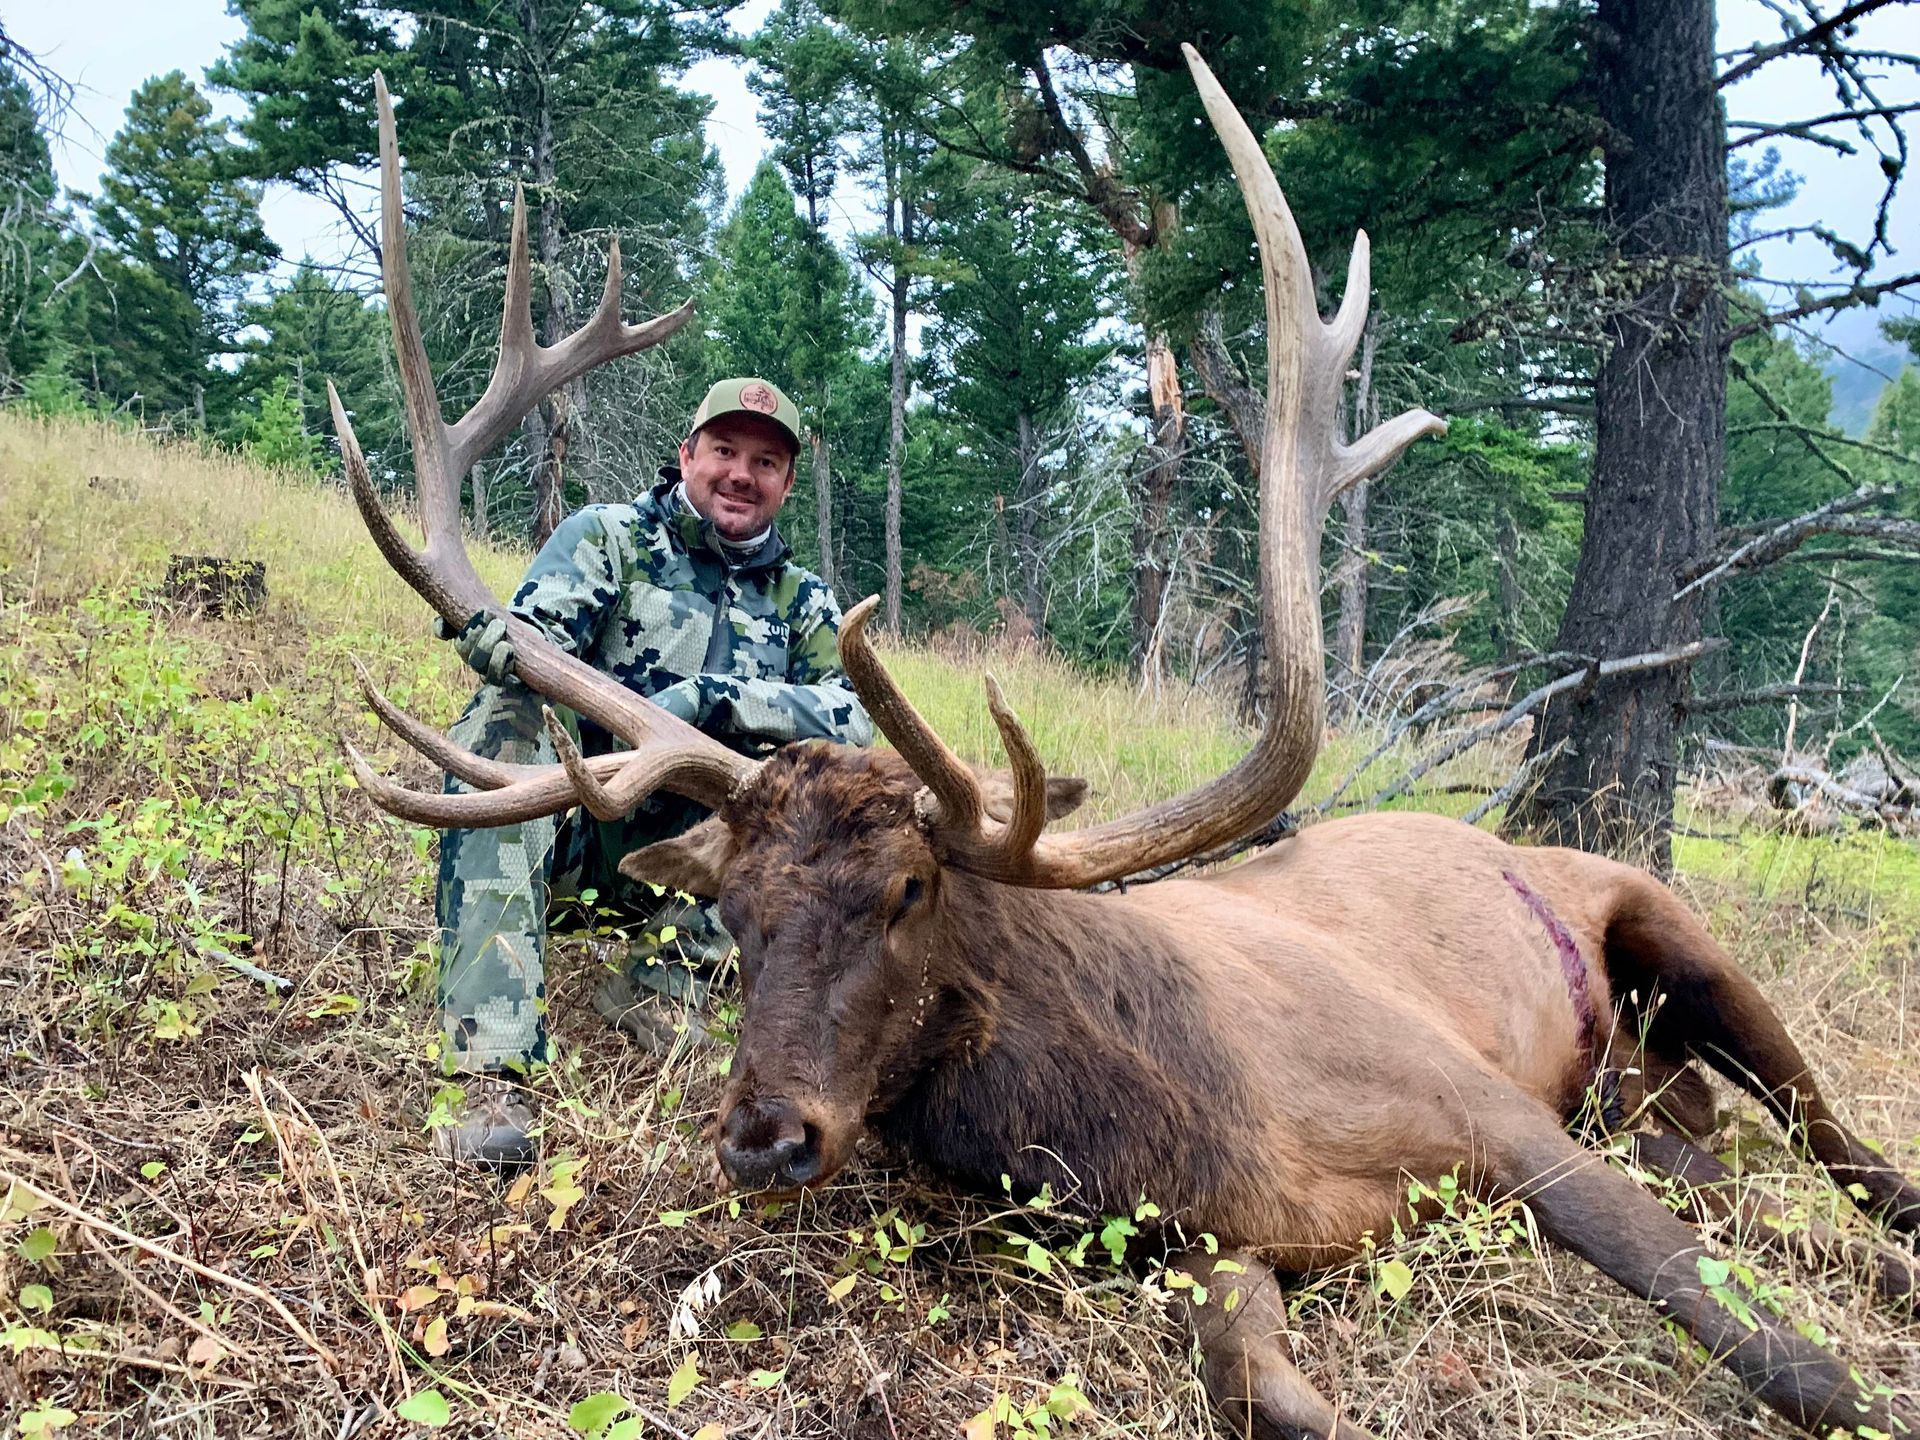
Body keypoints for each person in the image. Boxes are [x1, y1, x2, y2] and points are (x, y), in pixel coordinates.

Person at [431, 377, 873, 1167]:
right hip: (575, 848)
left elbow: (853, 717)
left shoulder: (803, 603)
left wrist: (714, 697)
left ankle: (660, 984)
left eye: (765, 461)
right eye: (726, 452)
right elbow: (537, 638)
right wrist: (501, 641)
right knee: (505, 723)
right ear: (688, 456)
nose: (742, 473)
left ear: (787, 483)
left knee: (816, 794)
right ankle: (490, 1065)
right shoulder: (611, 539)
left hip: (706, 884)